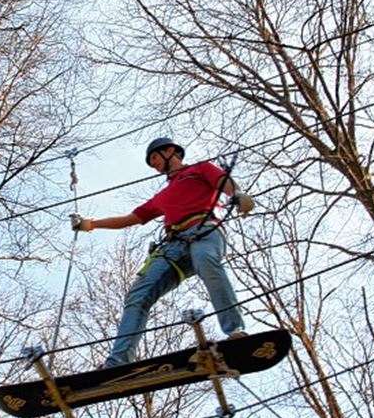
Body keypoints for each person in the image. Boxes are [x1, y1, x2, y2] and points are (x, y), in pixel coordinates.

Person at [71, 137, 254, 368]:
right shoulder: (162, 196)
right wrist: (91, 224)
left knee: (206, 261)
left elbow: (223, 182)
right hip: (172, 245)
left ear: (171, 151)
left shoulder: (199, 169)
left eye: (155, 157)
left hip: (204, 230)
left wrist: (237, 195)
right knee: (138, 295)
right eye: (151, 162)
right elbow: (131, 219)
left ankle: (235, 331)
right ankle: (117, 363)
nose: (154, 165)